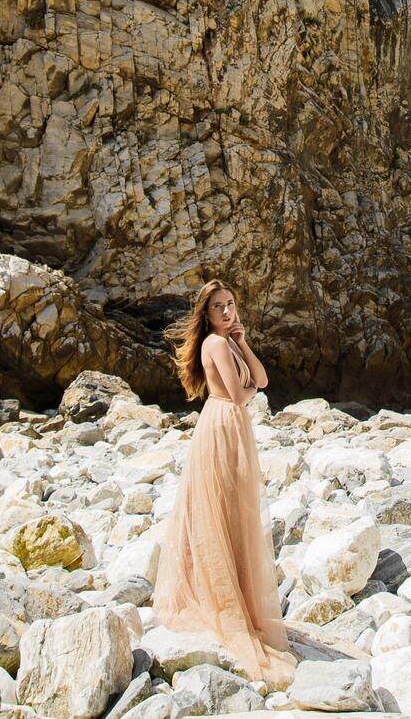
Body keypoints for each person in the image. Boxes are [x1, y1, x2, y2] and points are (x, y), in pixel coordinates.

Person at [150, 279, 298, 688]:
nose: (228, 312)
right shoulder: (214, 344)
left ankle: (233, 594)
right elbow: (240, 394)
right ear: (206, 313)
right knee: (222, 510)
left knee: (230, 510)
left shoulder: (227, 340)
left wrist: (244, 343)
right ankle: (221, 598)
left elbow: (262, 382)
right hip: (222, 424)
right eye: (219, 307)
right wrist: (246, 381)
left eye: (231, 304)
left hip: (230, 425)